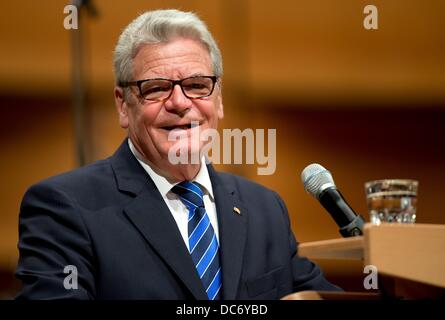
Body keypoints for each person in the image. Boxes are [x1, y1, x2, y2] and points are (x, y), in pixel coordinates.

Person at [15, 9, 340, 299]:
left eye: (197, 85)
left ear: (219, 99)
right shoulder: (63, 207)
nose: (180, 102)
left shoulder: (264, 208)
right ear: (123, 105)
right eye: (156, 88)